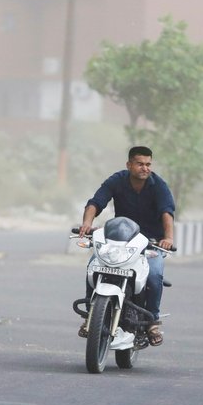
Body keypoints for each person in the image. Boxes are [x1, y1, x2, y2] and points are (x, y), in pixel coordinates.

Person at [78, 146, 175, 346]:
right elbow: (95, 203)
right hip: (120, 241)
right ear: (129, 164)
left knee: (155, 275)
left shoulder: (158, 186)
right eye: (140, 164)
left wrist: (168, 238)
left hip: (151, 244)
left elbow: (167, 212)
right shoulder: (117, 180)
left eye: (148, 164)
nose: (145, 168)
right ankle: (91, 314)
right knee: (93, 265)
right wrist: (87, 223)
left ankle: (152, 322)